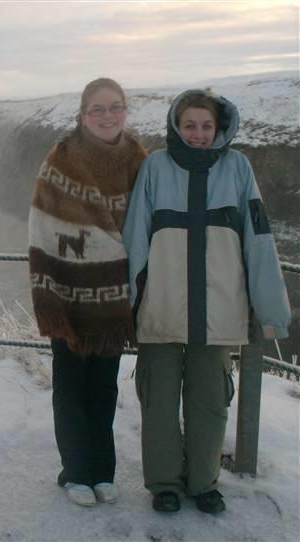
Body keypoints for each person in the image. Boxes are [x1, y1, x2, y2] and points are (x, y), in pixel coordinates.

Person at [122, 89, 291, 515]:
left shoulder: (238, 168)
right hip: (161, 307)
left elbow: (259, 238)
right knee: (159, 400)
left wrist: (271, 309)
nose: (198, 134)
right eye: (189, 125)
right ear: (176, 126)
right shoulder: (156, 167)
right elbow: (135, 236)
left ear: (219, 129)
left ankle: (203, 483)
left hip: (219, 310)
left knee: (210, 399)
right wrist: (124, 303)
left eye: (206, 126)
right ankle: (163, 483)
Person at [28, 78, 147, 507]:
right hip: (70, 293)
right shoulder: (60, 162)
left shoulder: (139, 161)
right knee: (70, 387)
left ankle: (103, 472)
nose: (107, 115)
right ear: (82, 115)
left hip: (115, 298)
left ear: (125, 110)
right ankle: (76, 472)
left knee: (104, 389)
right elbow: (41, 227)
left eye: (115, 106)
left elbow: (148, 225)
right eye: (97, 109)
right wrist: (49, 295)